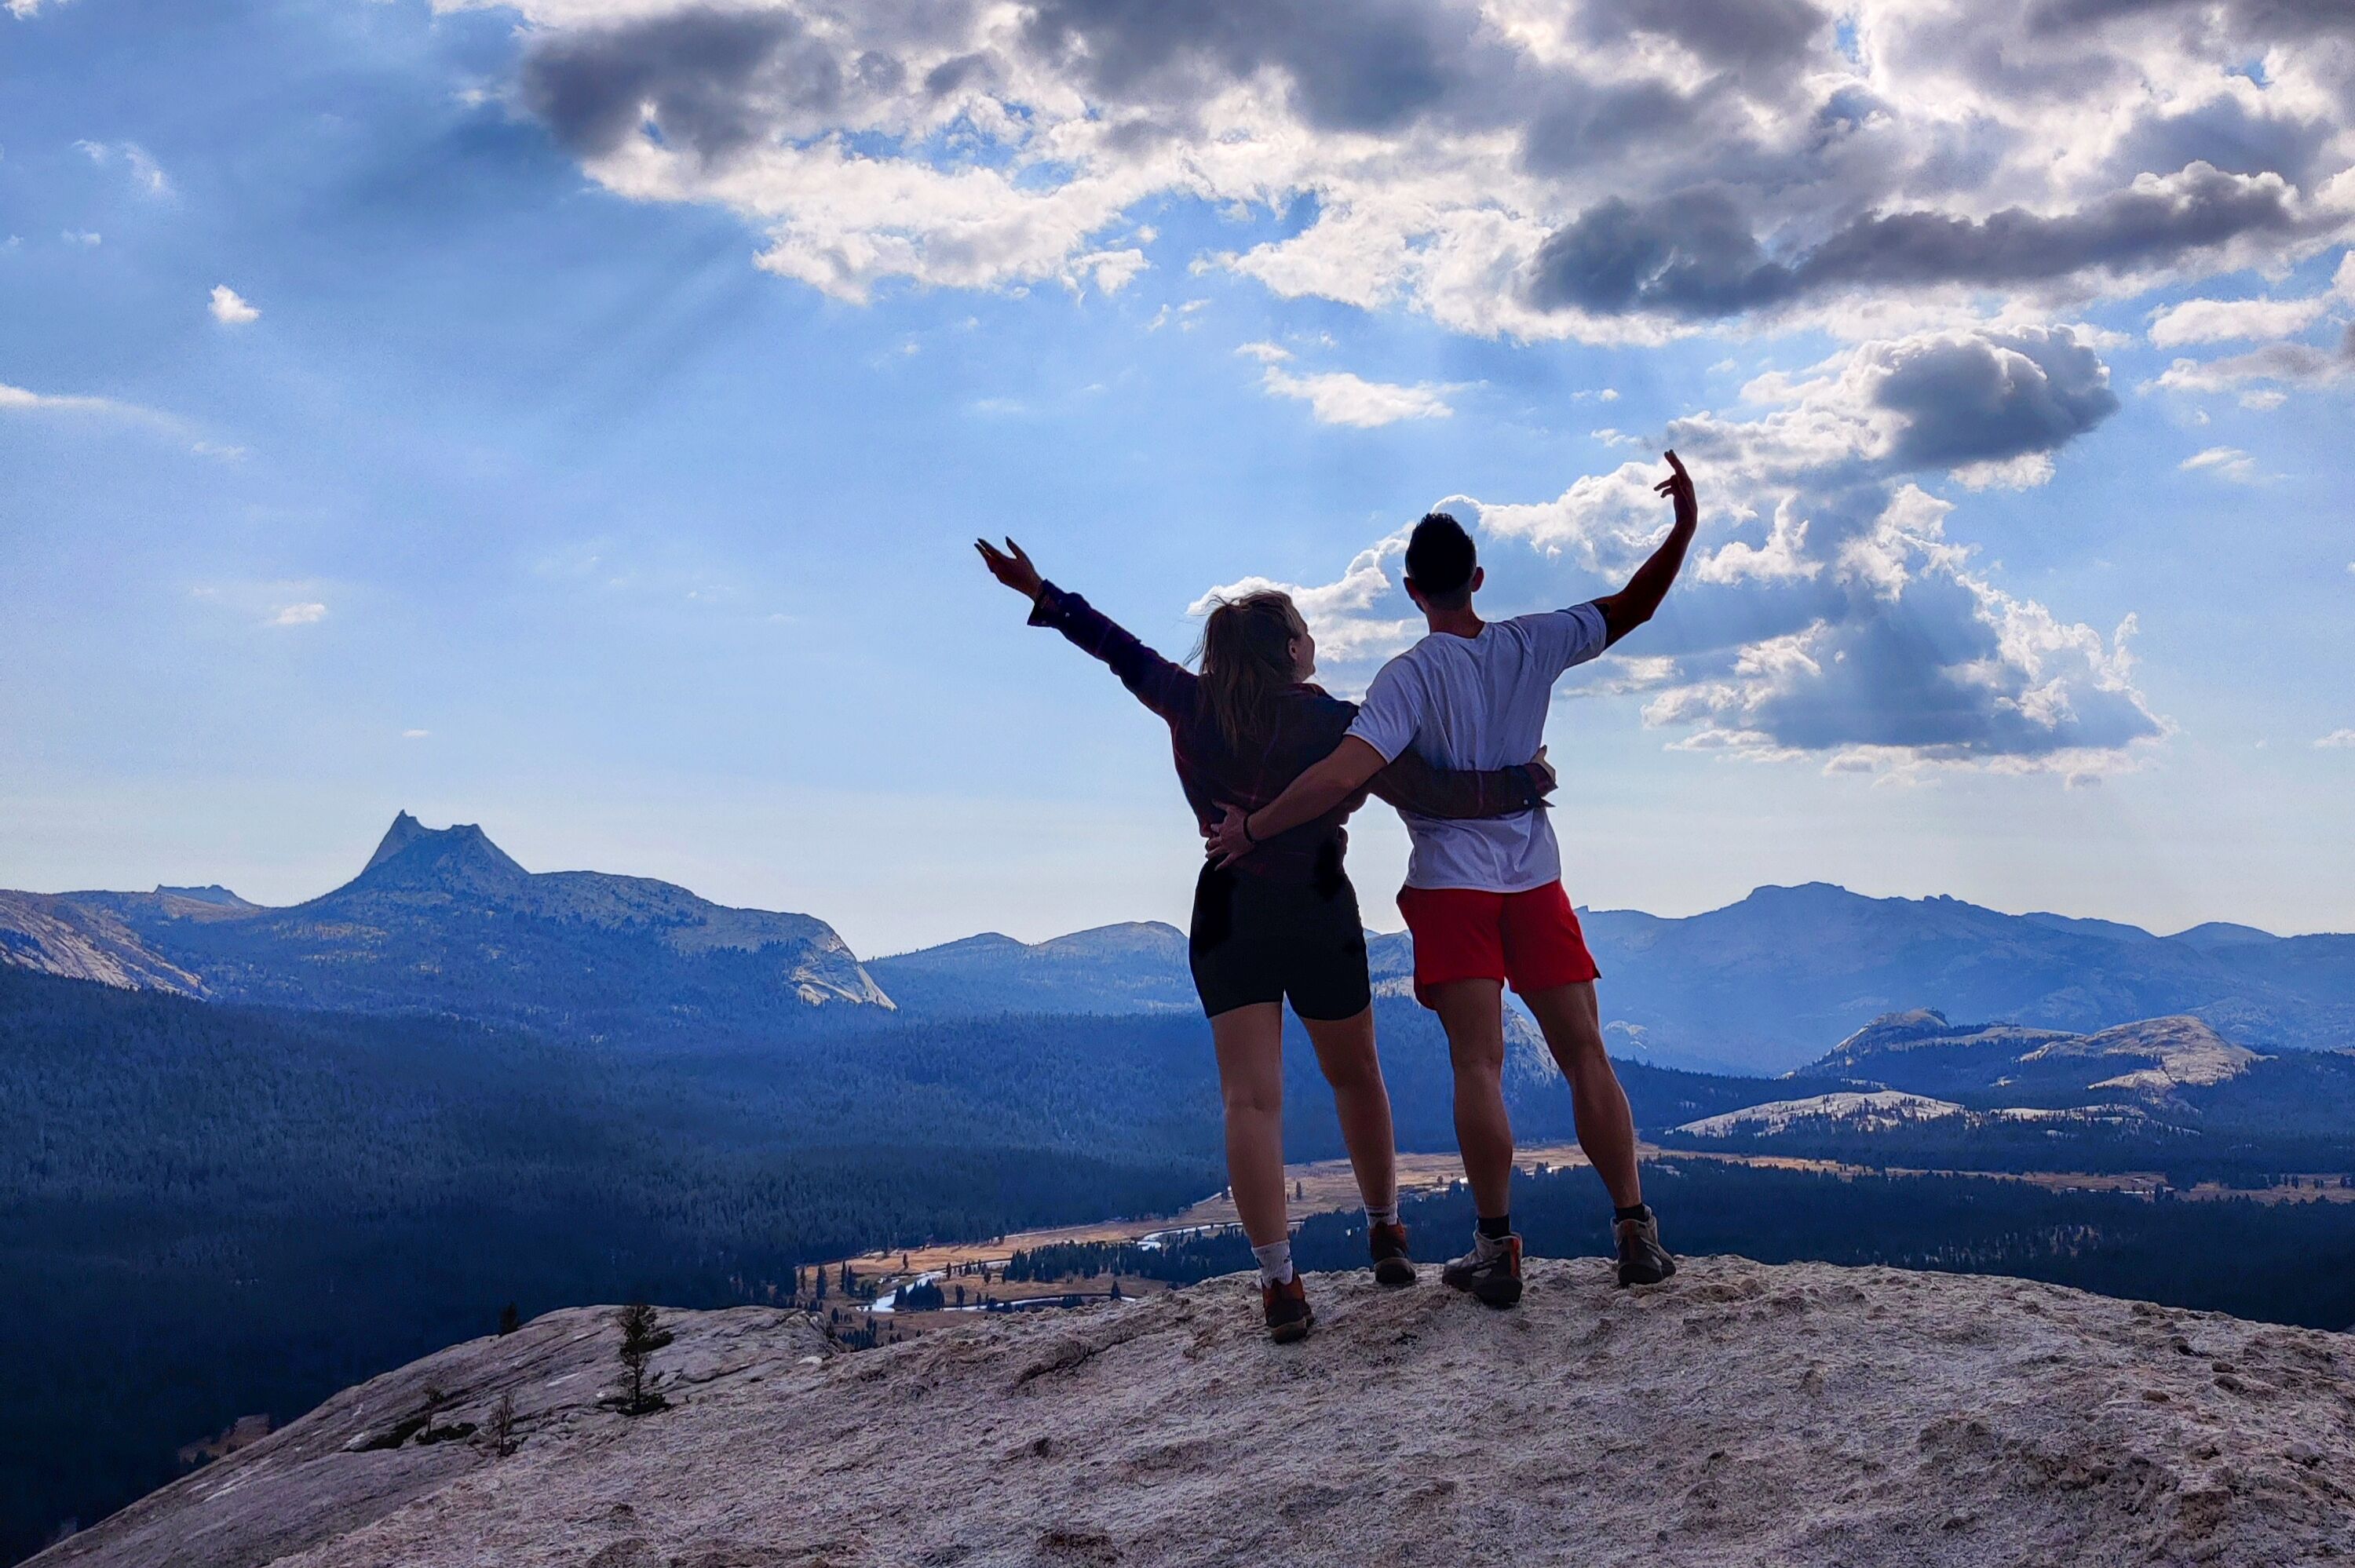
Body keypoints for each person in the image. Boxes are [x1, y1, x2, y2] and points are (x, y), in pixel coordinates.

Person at [975, 537, 1558, 1342]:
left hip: (1229, 913)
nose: (1315, 642)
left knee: (1249, 1100)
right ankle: (1387, 1231)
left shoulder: (1189, 704)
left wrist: (1041, 589)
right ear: (1292, 649)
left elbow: (1118, 649)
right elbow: (1424, 788)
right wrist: (1521, 783)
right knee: (1356, 1077)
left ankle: (1281, 1285)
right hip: (1317, 904)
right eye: (1308, 632)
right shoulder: (1333, 724)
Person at [1208, 451, 1700, 1306]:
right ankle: (1634, 1231)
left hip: (1449, 886)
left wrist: (1251, 827)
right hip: (1534, 875)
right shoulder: (1534, 641)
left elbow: (1337, 777)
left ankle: (1498, 1247)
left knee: (1477, 1064)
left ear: (1409, 589)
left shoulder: (1406, 678)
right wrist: (1683, 527)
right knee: (1586, 1051)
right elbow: (1634, 605)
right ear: (1476, 578)